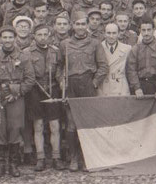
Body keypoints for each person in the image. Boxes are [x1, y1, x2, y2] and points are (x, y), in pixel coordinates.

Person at [59, 11, 109, 172]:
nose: (80, 27)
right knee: (71, 124)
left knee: (88, 124)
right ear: (72, 26)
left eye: (83, 24)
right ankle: (74, 158)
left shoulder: (95, 44)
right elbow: (59, 67)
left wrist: (94, 83)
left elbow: (103, 66)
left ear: (87, 26)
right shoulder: (65, 44)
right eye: (77, 24)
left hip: (88, 83)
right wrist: (61, 81)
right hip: (71, 86)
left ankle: (88, 157)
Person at [0, 25, 36, 178]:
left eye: (10, 37)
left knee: (15, 128)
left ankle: (13, 164)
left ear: (14, 38)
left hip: (16, 96)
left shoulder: (23, 57)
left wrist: (17, 92)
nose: (7, 40)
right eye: (4, 37)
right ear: (0, 39)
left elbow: (30, 79)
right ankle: (0, 164)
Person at [27, 23, 66, 171]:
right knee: (38, 126)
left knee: (55, 125)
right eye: (39, 35)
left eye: (45, 34)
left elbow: (60, 69)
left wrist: (61, 79)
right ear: (34, 36)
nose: (43, 38)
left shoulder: (55, 51)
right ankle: (41, 158)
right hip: (35, 91)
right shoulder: (27, 53)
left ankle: (56, 158)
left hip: (53, 90)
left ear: (49, 36)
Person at [99, 23, 132, 97]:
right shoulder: (98, 47)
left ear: (119, 34)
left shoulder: (127, 49)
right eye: (108, 33)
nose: (111, 36)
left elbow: (130, 70)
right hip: (104, 86)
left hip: (121, 87)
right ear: (104, 34)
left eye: (114, 33)